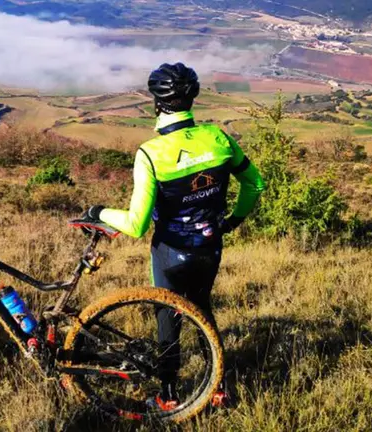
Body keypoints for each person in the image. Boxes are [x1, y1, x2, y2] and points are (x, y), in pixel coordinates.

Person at [82, 62, 265, 410]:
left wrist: (99, 212)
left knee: (168, 317)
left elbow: (136, 224)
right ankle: (219, 388)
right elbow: (255, 184)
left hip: (170, 251)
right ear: (193, 98)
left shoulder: (151, 153)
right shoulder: (219, 138)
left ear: (156, 103)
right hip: (210, 247)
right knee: (203, 311)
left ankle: (168, 396)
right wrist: (232, 221)